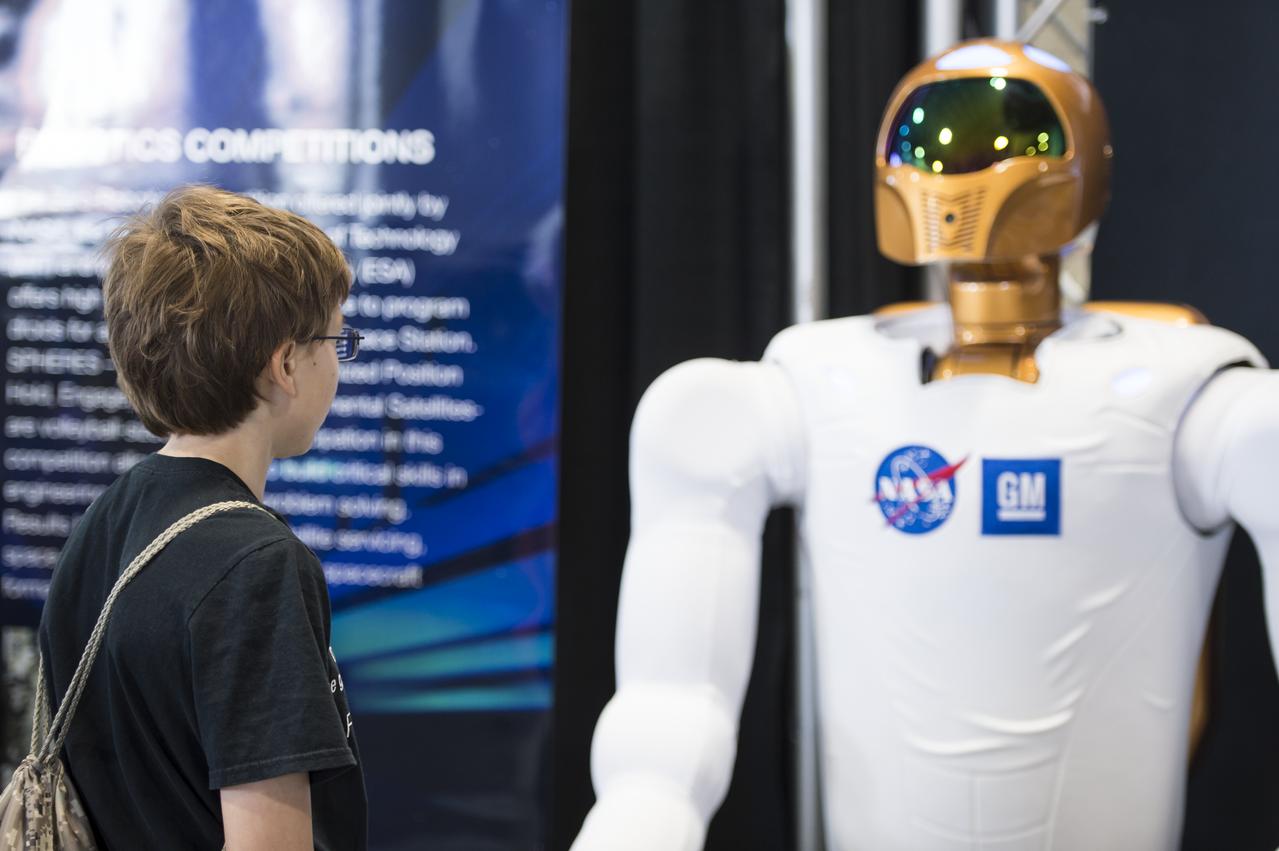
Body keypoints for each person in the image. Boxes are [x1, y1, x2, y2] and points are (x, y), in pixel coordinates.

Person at [37, 184, 368, 850]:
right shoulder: (259, 565)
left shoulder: (104, 522)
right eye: (337, 339)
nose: (338, 360)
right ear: (284, 364)